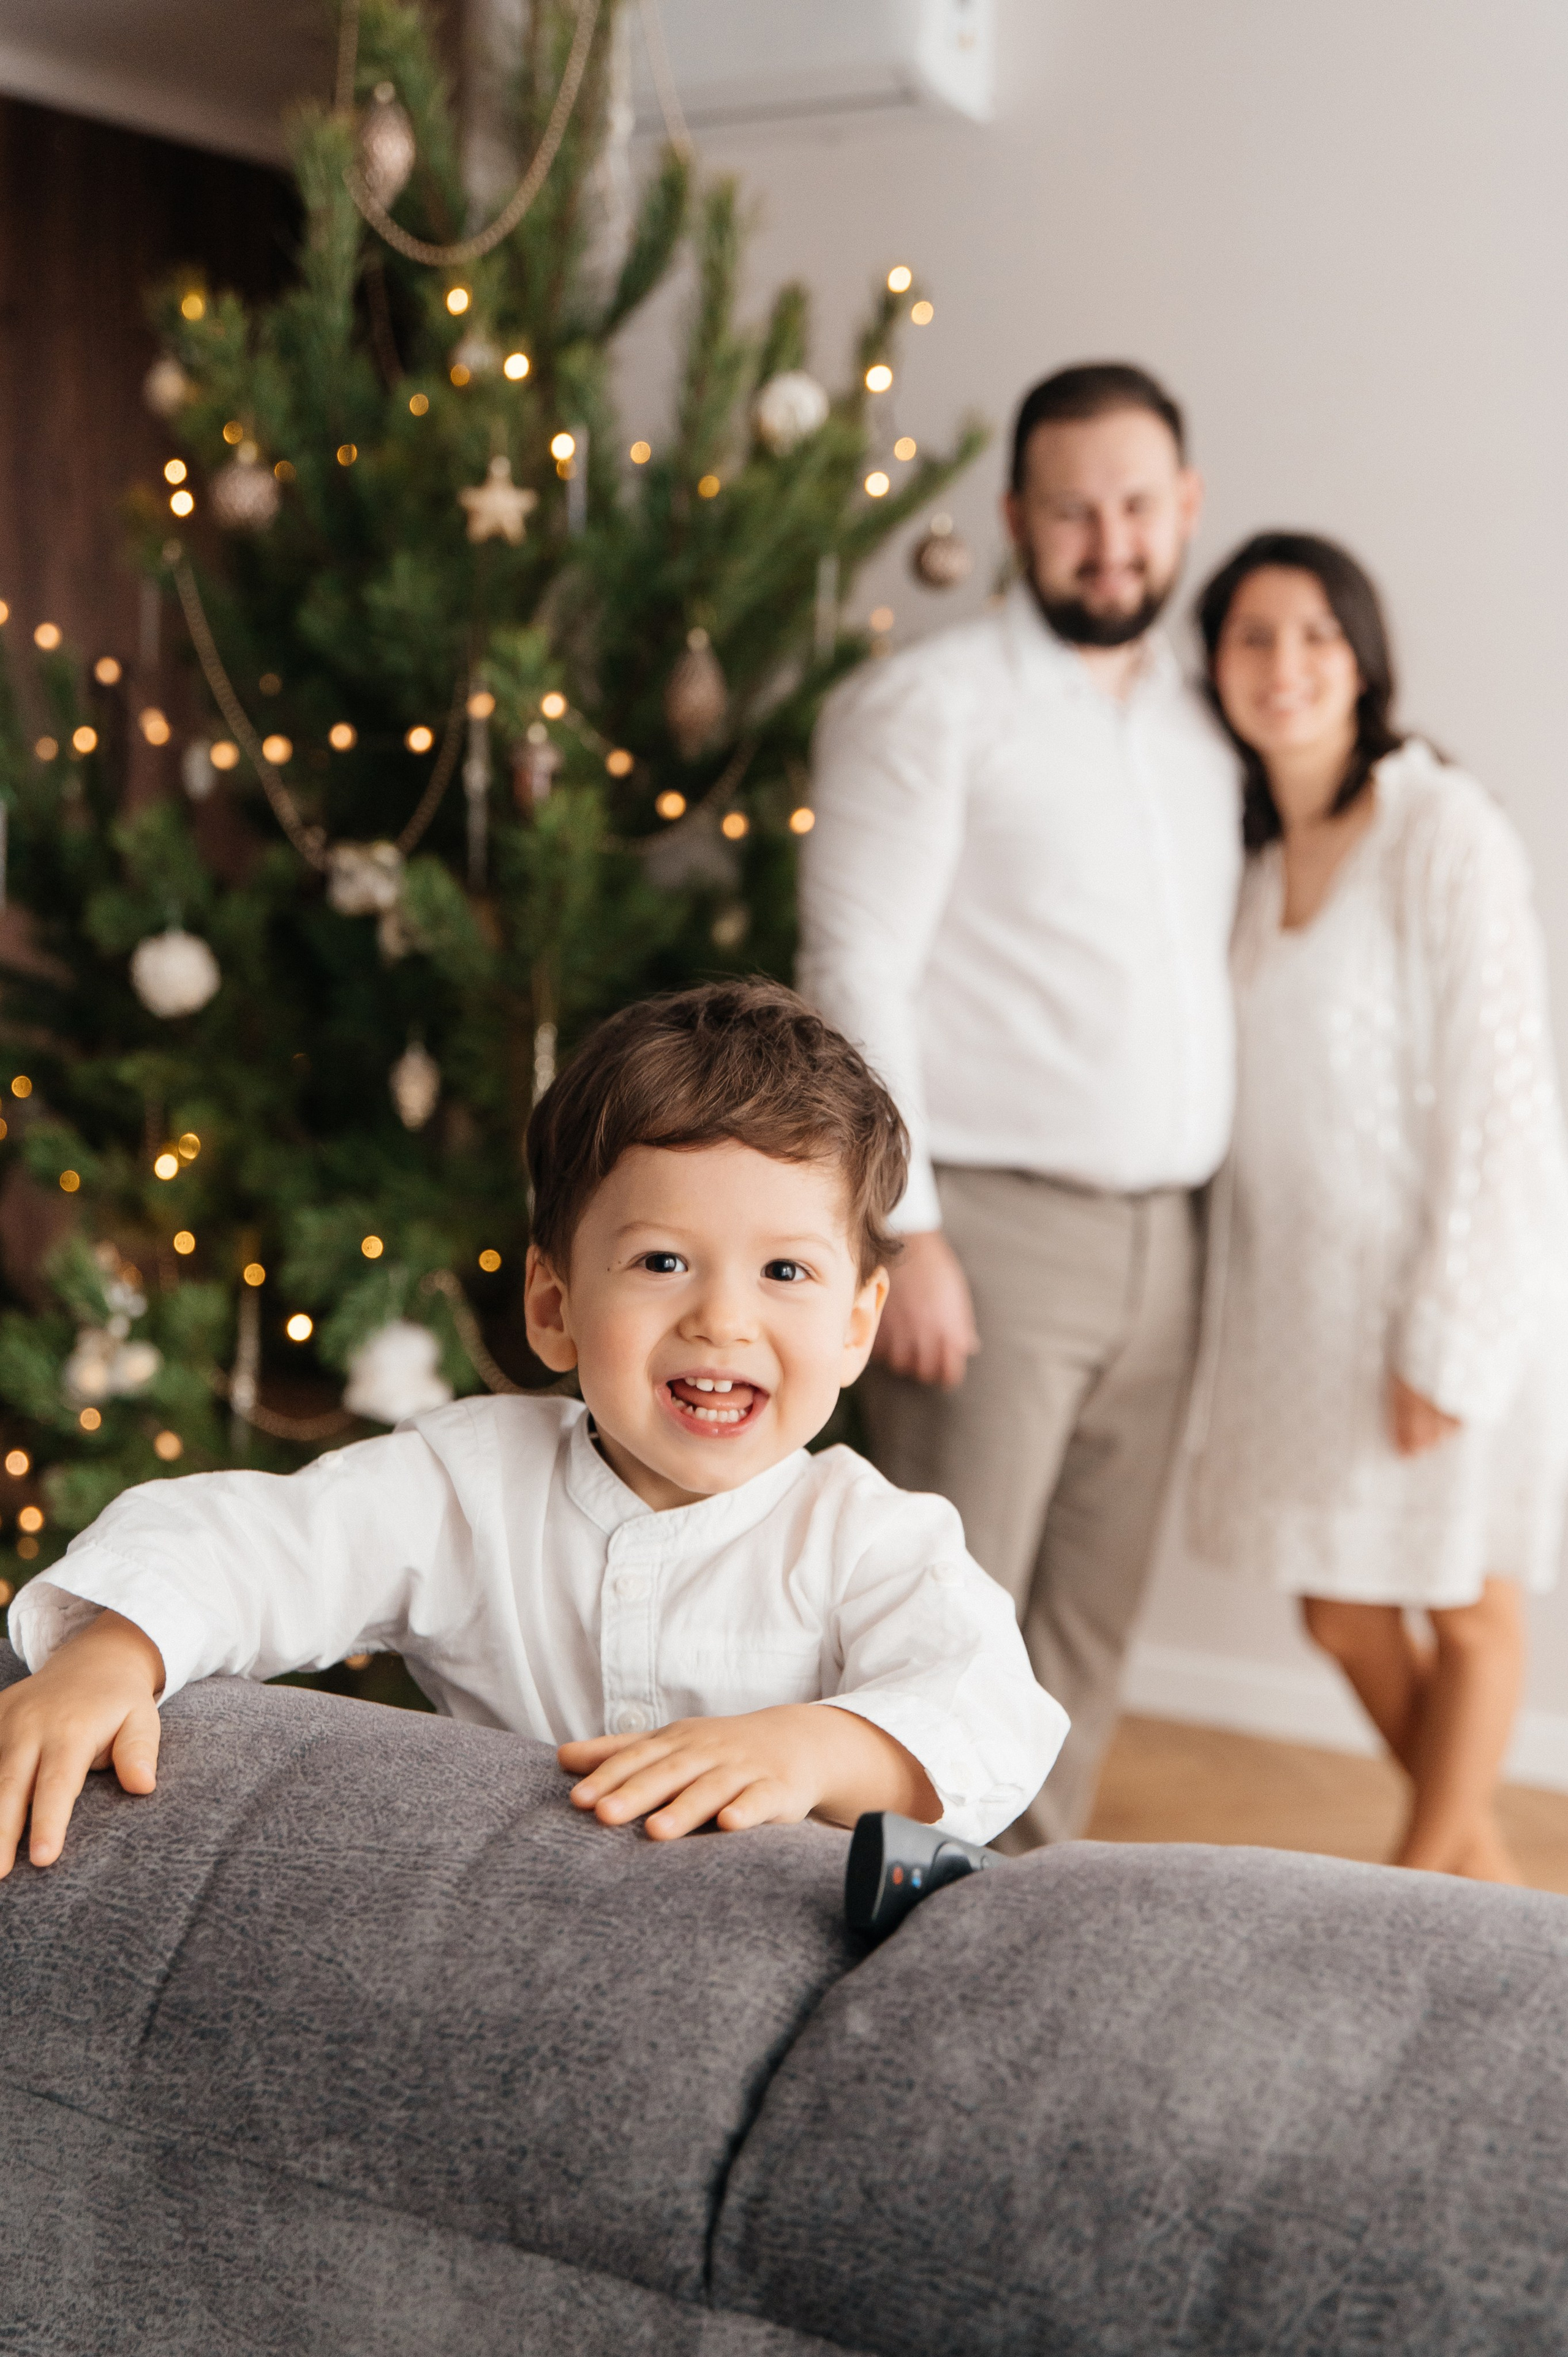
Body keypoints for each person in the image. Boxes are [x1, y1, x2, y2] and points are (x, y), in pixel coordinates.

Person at [0, 981, 1066, 1876]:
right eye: (662, 1262)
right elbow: (257, 1544)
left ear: (855, 1325)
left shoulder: (869, 1538)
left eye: (785, 1272)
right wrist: (113, 1655)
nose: (723, 1320)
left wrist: (815, 1749)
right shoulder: (468, 1486)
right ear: (553, 1307)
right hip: (507, 1943)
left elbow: (986, 1710)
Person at [799, 363, 1240, 1846]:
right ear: (1015, 518)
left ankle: (1030, 1933)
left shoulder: (1204, 720)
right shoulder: (926, 705)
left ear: (1182, 510)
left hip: (1169, 1240)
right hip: (984, 1228)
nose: (1107, 540)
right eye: (1071, 510)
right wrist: (906, 1233)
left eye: (1134, 505)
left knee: (1087, 1631)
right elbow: (851, 967)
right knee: (948, 1621)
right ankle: (893, 1918)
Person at [1185, 532, 1568, 1882]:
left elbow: (1502, 1097)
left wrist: (1449, 1335)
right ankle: (1497, 1889)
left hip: (1445, 1283)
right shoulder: (1236, 862)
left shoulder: (1437, 827)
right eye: (1250, 637)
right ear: (1213, 666)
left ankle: (1413, 1893)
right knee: (1342, 1608)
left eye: (1312, 635)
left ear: (1360, 659)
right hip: (1302, 1307)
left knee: (1463, 1604)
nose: (1282, 665)